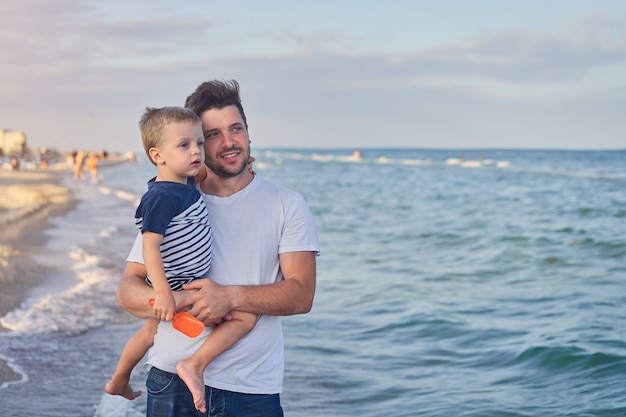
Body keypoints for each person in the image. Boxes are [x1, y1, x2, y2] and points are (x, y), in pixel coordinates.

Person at [117, 80, 319, 417]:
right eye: (212, 134)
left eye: (236, 129)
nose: (228, 142)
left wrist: (230, 297)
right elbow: (127, 291)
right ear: (197, 143)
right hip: (170, 380)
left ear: (249, 134)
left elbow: (302, 295)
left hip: (252, 389)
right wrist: (175, 300)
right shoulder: (176, 200)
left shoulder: (287, 204)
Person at [106, 106, 258, 413]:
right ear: (157, 155)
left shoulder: (185, 184)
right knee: (244, 317)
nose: (196, 151)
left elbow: (207, 172)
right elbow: (150, 246)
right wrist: (165, 293)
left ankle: (119, 380)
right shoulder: (161, 196)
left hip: (183, 283)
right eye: (184, 145)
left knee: (150, 331)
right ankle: (192, 365)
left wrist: (242, 165)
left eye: (200, 143)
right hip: (178, 284)